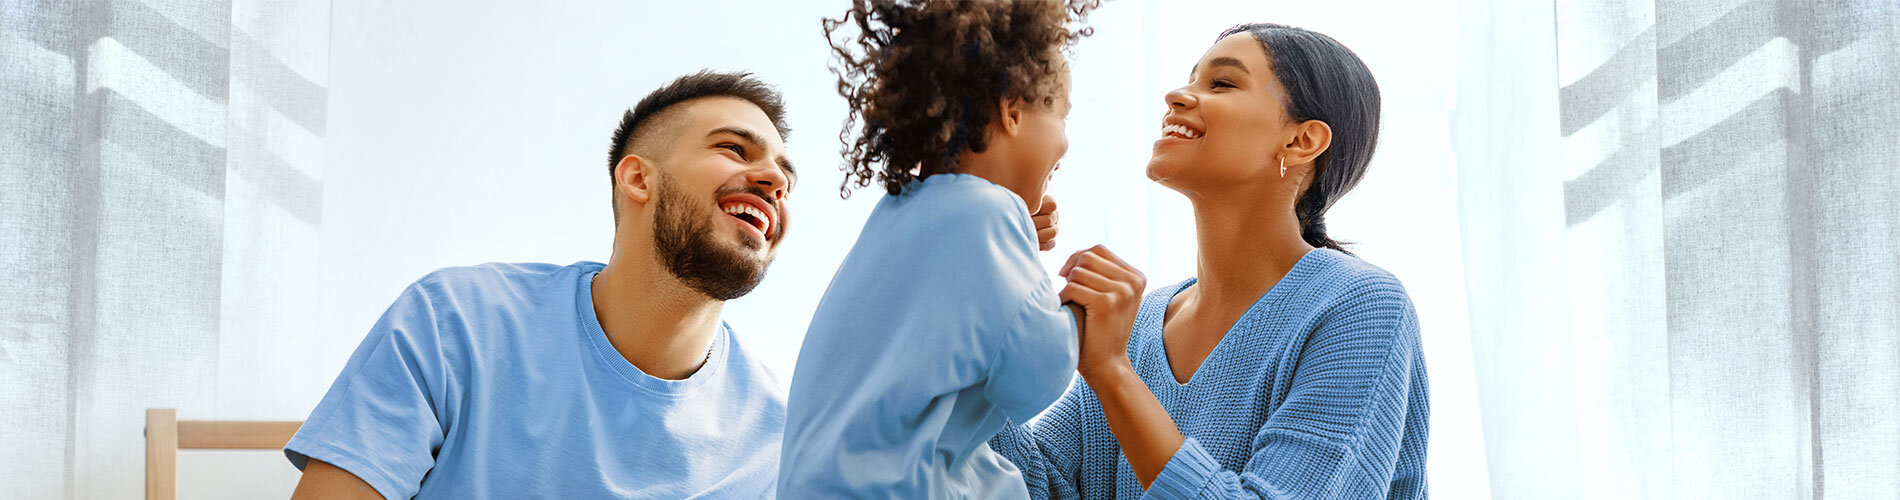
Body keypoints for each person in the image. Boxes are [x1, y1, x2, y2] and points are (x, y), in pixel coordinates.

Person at [285, 71, 800, 499]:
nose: (773, 181)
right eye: (734, 149)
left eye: (785, 177)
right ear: (639, 180)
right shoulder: (454, 323)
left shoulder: (777, 436)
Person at [991, 23, 1430, 499]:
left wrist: (1113, 372)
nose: (1176, 96)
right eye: (1190, 79)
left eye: (1221, 83)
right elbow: (1032, 486)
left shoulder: (1361, 308)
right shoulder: (1138, 328)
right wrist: (984, 268)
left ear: (1302, 141)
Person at [775, 1, 1129, 498]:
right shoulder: (991, 215)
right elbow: (1034, 377)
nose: (1066, 145)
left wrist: (1019, 250)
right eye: (1061, 117)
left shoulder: (899, 215)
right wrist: (1085, 315)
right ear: (1012, 112)